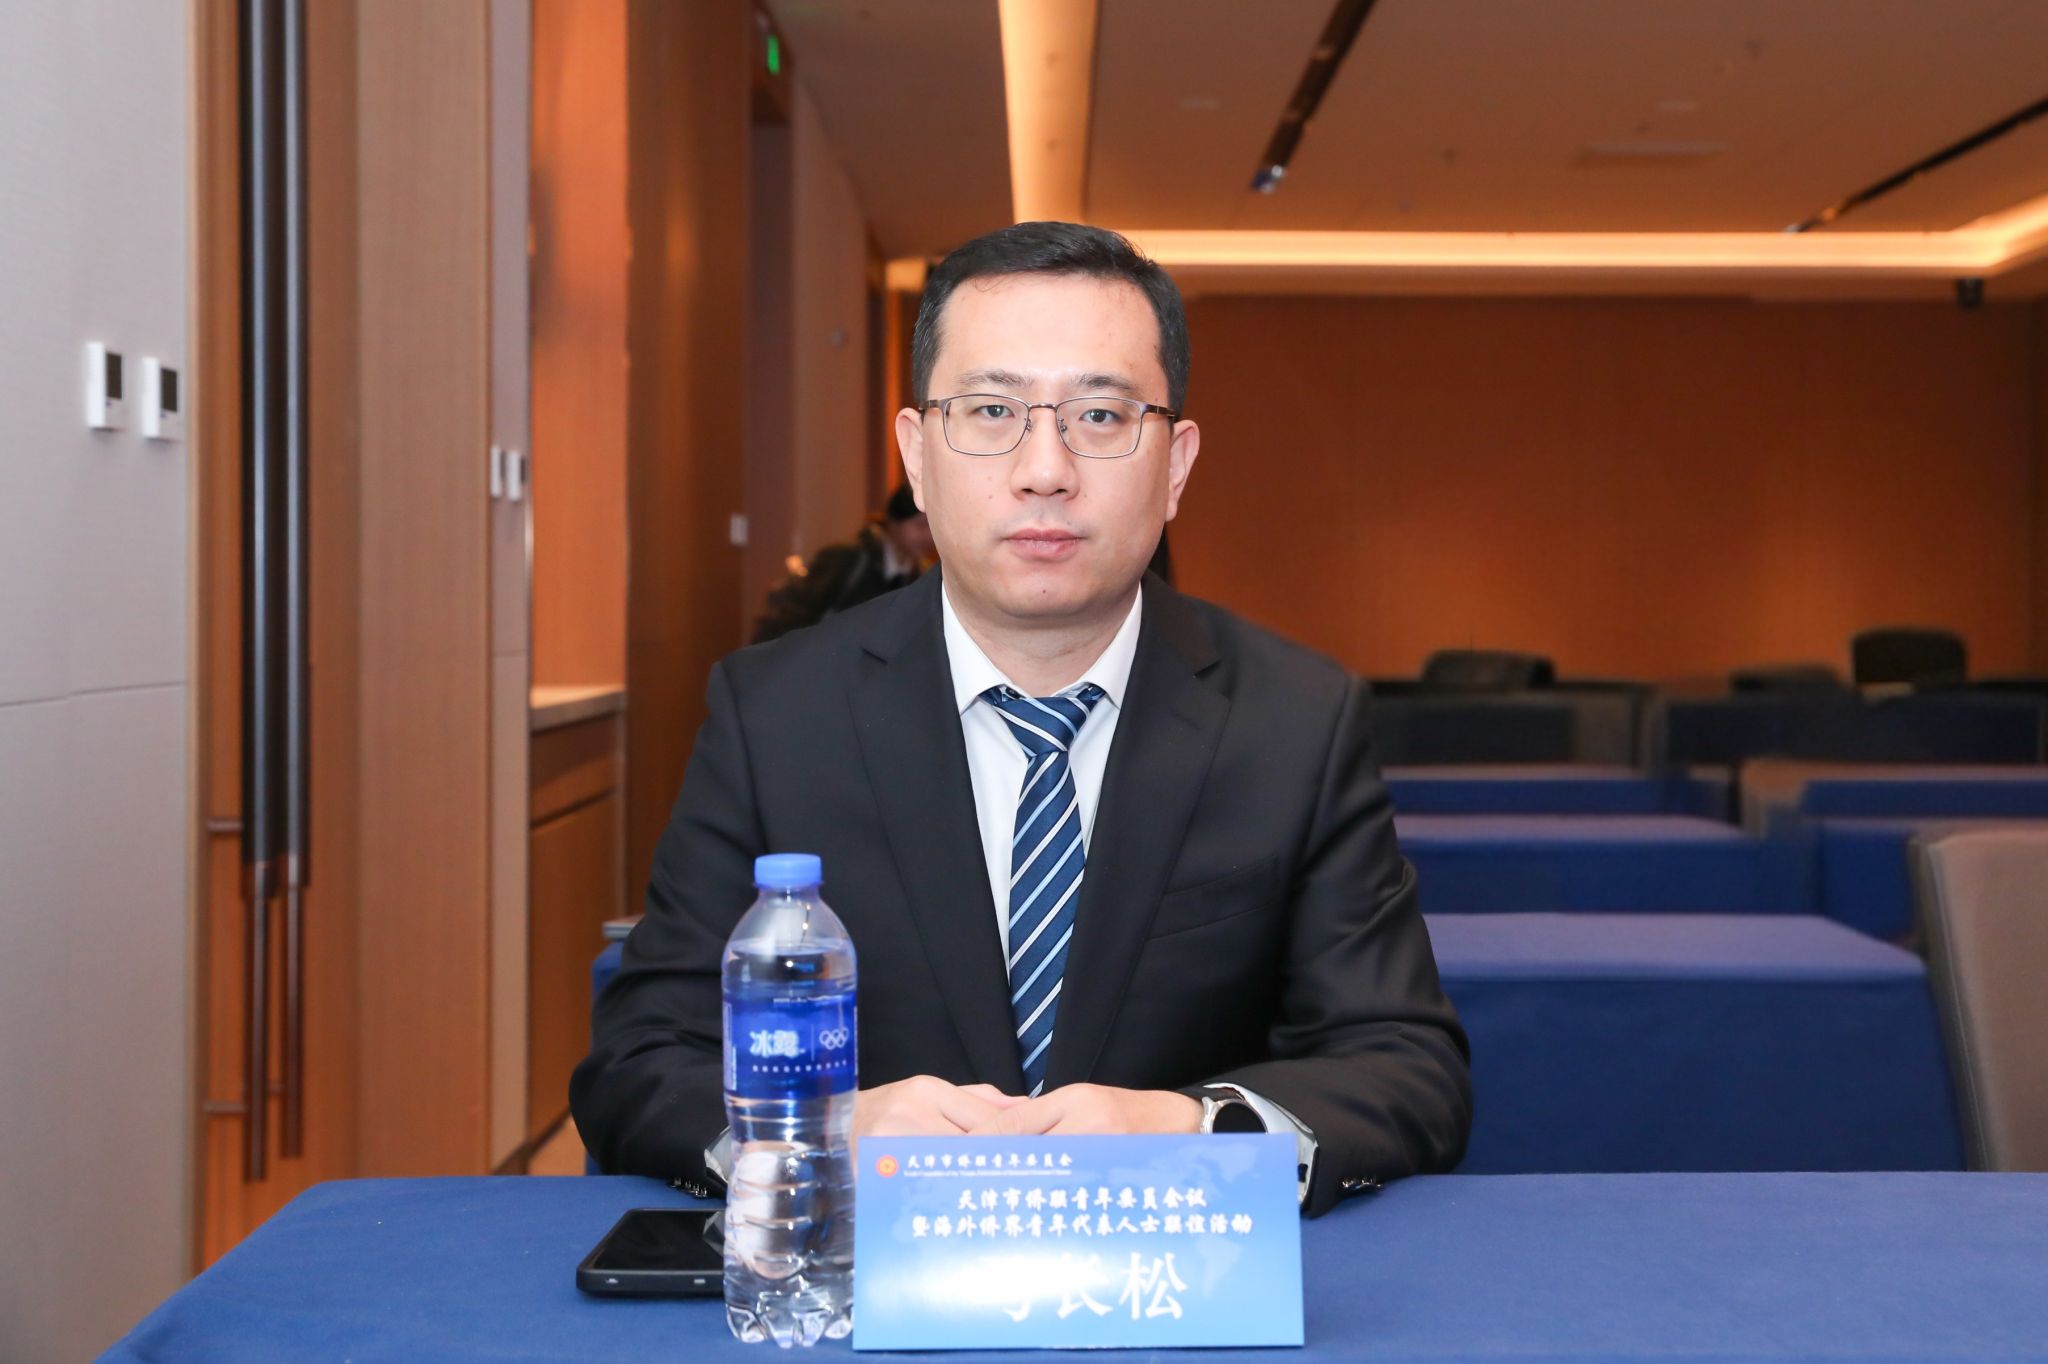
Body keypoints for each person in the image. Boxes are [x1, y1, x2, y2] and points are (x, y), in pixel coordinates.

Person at [572, 222, 1470, 1216]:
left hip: (1176, 1273)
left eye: (1100, 415)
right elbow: (641, 1062)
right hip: (866, 1272)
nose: (1045, 469)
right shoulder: (776, 714)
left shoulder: (1294, 719)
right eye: (992, 410)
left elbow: (1404, 1066)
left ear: (1175, 465)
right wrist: (823, 1127)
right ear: (917, 455)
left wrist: (1189, 1129)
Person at [750, 485, 935, 643]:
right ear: (893, 523)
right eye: (920, 526)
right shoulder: (848, 559)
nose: (928, 536)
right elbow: (799, 615)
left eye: (932, 526)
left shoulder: (921, 574)